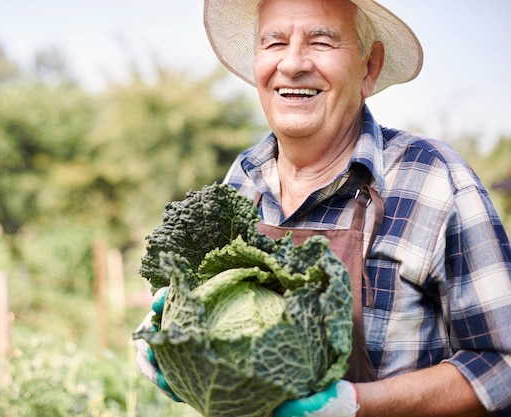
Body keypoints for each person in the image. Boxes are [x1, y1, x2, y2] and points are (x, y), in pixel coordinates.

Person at [136, 0, 511, 415]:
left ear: (369, 67)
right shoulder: (243, 179)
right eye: (274, 42)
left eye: (321, 41)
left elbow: (503, 361)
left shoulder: (433, 178)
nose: (293, 63)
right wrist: (171, 341)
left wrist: (360, 406)